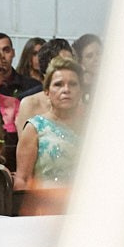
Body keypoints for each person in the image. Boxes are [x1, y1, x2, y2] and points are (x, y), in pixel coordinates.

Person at [17, 57, 83, 206]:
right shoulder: (34, 128)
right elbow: (23, 179)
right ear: (47, 91)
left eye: (73, 84)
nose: (66, 90)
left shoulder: (92, 129)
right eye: (58, 84)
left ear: (80, 90)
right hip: (45, 207)